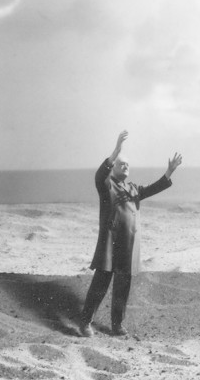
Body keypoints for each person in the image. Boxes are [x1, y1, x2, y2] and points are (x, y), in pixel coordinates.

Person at [79, 130, 182, 337]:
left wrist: (169, 172)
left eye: (127, 165)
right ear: (114, 167)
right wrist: (115, 152)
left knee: (122, 288)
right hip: (110, 245)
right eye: (121, 164)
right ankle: (85, 322)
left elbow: (153, 188)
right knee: (100, 284)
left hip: (128, 246)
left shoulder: (133, 189)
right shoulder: (108, 186)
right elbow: (100, 176)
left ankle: (117, 325)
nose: (125, 167)